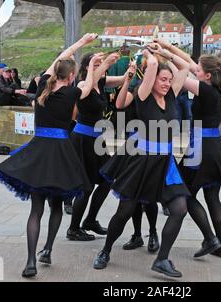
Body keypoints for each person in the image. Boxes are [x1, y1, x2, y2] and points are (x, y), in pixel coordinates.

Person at [0, 33, 98, 278]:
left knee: (36, 210)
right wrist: (91, 64)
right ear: (71, 76)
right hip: (60, 153)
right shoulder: (72, 93)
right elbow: (89, 84)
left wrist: (78, 44)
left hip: (38, 151)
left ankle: (31, 261)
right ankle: (48, 249)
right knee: (57, 205)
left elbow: (60, 59)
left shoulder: (42, 85)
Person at [95, 45, 191, 278]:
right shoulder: (143, 95)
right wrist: (149, 52)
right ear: (152, 79)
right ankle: (106, 250)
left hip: (165, 163)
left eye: (169, 80)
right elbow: (154, 66)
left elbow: (186, 66)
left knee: (180, 209)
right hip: (141, 160)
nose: (167, 83)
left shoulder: (171, 95)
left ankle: (162, 259)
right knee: (124, 211)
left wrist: (167, 52)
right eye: (162, 80)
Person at [156, 39, 221, 258]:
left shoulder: (203, 89)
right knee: (212, 197)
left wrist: (165, 56)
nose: (196, 69)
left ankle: (210, 239)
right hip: (215, 146)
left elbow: (182, 71)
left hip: (201, 149)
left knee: (183, 194)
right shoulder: (216, 87)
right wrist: (166, 48)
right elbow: (187, 62)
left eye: (200, 69)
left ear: (205, 75)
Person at [66, 51, 126, 241]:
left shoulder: (100, 82)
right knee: (86, 186)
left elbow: (122, 79)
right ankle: (73, 229)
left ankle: (90, 220)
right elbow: (89, 84)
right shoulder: (83, 84)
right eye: (96, 63)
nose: (102, 66)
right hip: (82, 140)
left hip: (97, 140)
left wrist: (132, 70)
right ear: (87, 67)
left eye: (101, 63)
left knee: (107, 180)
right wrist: (101, 64)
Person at [112, 59, 160, 253]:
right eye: (145, 67)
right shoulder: (137, 88)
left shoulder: (160, 92)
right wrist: (127, 80)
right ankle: (137, 234)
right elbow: (120, 104)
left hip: (154, 144)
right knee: (133, 194)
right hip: (133, 144)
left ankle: (153, 232)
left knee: (149, 196)